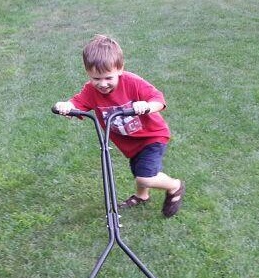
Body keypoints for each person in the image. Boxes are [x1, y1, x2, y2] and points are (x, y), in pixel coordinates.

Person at [55, 34, 185, 218]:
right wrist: (67, 106)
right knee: (139, 170)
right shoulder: (91, 90)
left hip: (152, 136)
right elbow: (77, 103)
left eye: (108, 78)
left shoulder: (132, 83)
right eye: (96, 78)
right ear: (87, 73)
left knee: (145, 176)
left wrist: (146, 106)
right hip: (130, 142)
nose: (102, 84)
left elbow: (158, 100)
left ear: (120, 69)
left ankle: (174, 186)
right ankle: (142, 196)